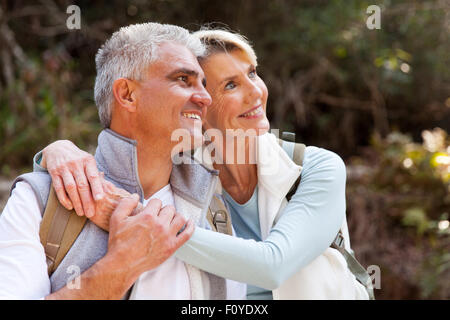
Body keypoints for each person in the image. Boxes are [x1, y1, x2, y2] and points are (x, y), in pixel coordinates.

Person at [37, 29, 368, 299]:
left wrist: (128, 218)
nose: (256, 93)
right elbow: (123, 150)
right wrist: (56, 150)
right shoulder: (185, 172)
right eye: (231, 85)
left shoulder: (316, 168)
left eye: (252, 73)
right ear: (199, 106)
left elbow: (272, 265)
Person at [0, 23, 246, 300]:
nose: (204, 97)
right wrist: (121, 267)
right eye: (182, 79)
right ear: (128, 95)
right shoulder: (39, 201)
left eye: (202, 83)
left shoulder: (214, 211)